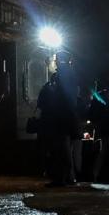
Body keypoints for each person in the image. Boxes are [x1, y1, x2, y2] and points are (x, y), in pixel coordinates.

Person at [36, 56, 80, 187]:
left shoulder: (61, 76)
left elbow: (57, 97)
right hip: (68, 116)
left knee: (61, 149)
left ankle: (61, 178)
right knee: (66, 148)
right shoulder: (71, 74)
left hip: (60, 118)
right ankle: (69, 177)